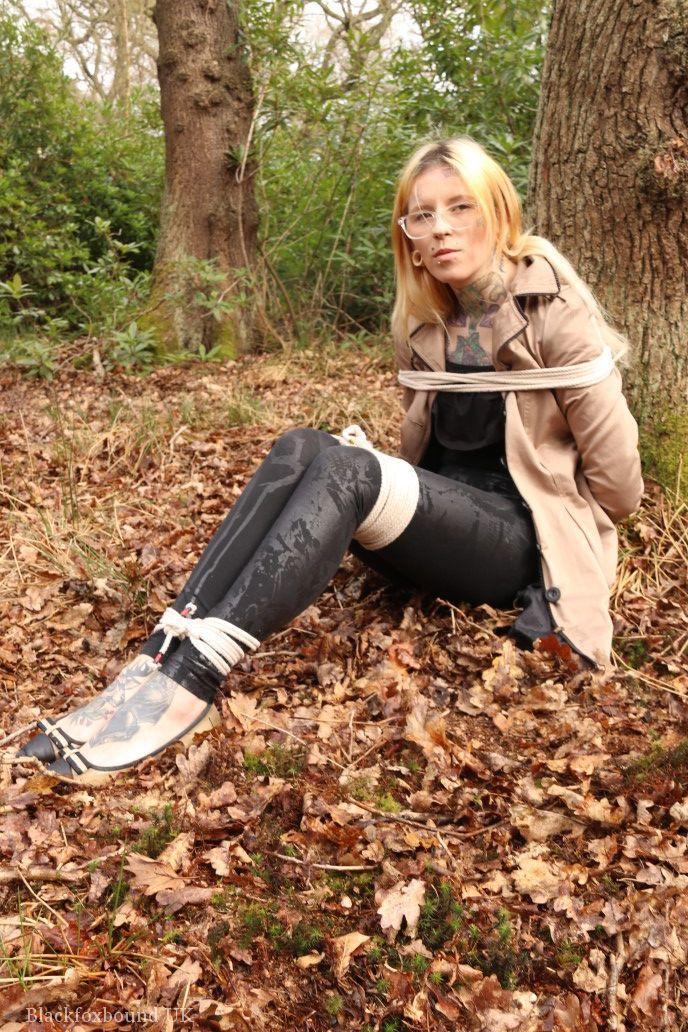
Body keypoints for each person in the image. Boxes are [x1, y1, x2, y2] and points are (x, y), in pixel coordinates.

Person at [17, 135, 643, 782]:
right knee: (301, 445)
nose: (442, 229)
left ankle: (192, 685)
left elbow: (621, 488)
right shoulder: (424, 321)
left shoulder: (554, 312)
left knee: (347, 468)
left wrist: (570, 537)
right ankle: (162, 655)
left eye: (461, 207)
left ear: (499, 209)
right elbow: (425, 445)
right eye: (422, 215)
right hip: (440, 531)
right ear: (410, 236)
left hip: (518, 541)